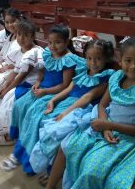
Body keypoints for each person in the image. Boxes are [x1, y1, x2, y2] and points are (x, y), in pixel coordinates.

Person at [46, 37, 135, 189]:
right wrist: (106, 127)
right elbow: (102, 105)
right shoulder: (116, 78)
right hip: (105, 124)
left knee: (92, 171)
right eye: (128, 60)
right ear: (120, 60)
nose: (133, 66)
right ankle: (50, 185)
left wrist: (108, 125)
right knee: (67, 146)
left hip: (129, 137)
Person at [0, 24, 85, 171]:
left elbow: (65, 85)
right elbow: (42, 72)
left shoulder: (68, 59)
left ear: (66, 41)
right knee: (20, 104)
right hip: (42, 88)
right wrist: (38, 83)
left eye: (58, 42)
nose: (53, 46)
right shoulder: (47, 53)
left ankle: (20, 155)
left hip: (54, 92)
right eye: (50, 42)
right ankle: (20, 138)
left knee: (34, 114)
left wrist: (45, 92)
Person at [29, 39, 115, 179]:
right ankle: (45, 164)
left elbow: (87, 97)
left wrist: (65, 113)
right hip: (70, 103)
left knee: (59, 130)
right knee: (42, 117)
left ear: (106, 58)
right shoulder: (83, 71)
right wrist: (53, 99)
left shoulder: (106, 77)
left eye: (98, 58)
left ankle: (53, 170)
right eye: (89, 58)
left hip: (81, 109)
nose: (93, 62)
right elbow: (69, 89)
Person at [0, 20, 44, 146]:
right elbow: (14, 72)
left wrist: (8, 89)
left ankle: (12, 134)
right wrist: (4, 86)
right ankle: (2, 128)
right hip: (21, 82)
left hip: (30, 84)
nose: (21, 38)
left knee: (10, 103)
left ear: (33, 37)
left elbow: (22, 76)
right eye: (19, 34)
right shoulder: (18, 51)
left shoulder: (34, 52)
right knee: (1, 94)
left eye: (26, 35)